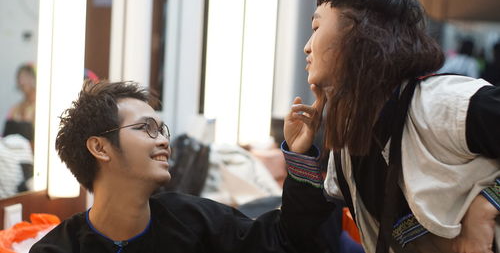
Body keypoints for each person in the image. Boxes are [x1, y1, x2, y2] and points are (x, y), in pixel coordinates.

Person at [283, 0, 499, 253]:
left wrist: (486, 205)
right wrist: (300, 155)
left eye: (316, 26)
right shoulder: (348, 144)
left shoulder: (442, 104)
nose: (307, 46)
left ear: (358, 35)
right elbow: (302, 237)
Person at [29, 80, 334, 253]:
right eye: (146, 128)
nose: (163, 141)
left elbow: (285, 241)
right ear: (100, 147)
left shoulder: (196, 222)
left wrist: (299, 154)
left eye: (163, 130)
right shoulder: (57, 250)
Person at [3, 63, 37, 144]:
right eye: (20, 77)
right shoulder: (15, 109)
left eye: (27, 76)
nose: (22, 81)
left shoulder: (41, 107)